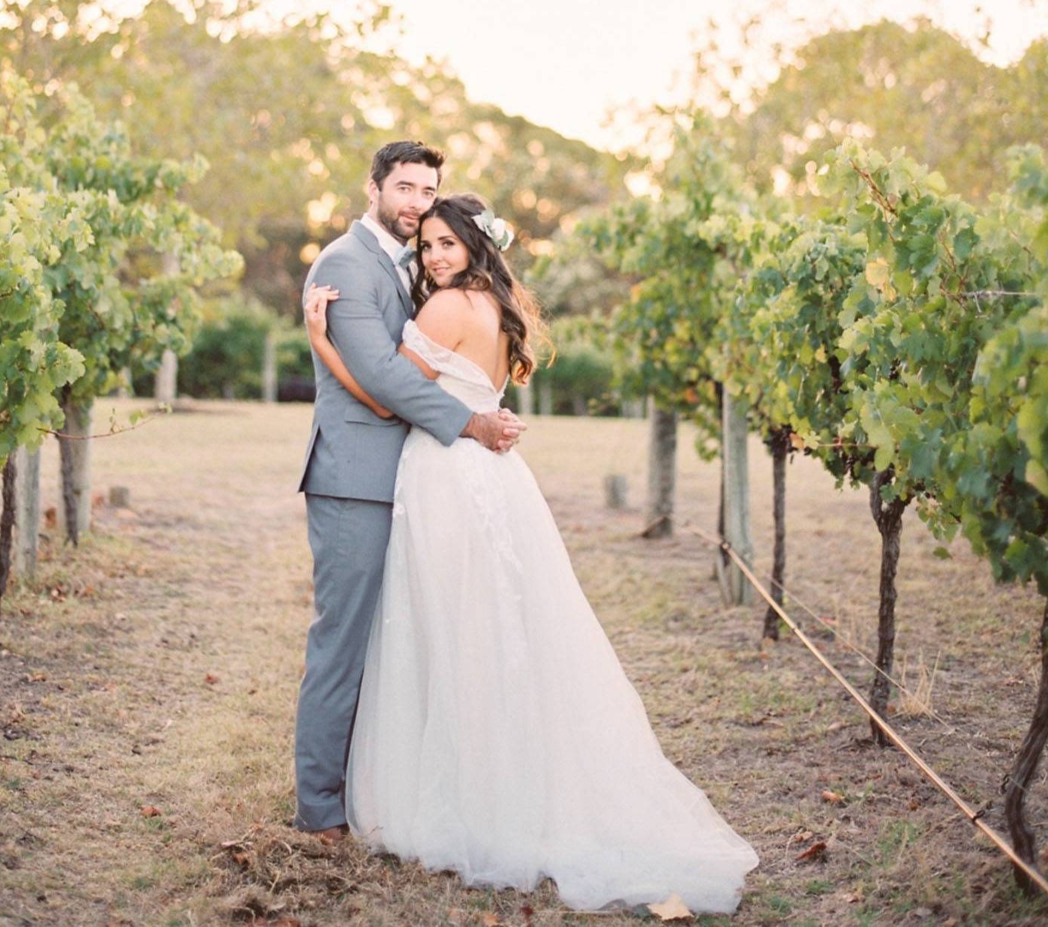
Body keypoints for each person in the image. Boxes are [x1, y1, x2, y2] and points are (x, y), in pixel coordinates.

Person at [303, 193, 759, 914]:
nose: (435, 259)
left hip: (446, 472)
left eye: (447, 244)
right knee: (498, 627)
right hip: (493, 477)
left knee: (447, 629)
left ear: (475, 246)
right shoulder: (497, 307)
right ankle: (512, 784)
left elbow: (390, 401)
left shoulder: (447, 308)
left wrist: (322, 343)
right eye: (427, 248)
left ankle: (465, 797)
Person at [294, 142, 525, 841]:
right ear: (372, 187)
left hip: (412, 480)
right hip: (354, 483)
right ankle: (320, 808)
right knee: (344, 642)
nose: (416, 202)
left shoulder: (417, 271)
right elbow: (387, 382)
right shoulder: (344, 263)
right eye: (404, 187)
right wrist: (472, 422)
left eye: (428, 190)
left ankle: (387, 789)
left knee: (402, 642)